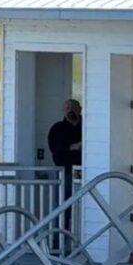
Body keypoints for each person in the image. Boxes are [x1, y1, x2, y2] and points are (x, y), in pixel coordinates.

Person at [48, 99, 82, 246]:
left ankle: (81, 242)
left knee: (84, 208)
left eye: (73, 107)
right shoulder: (58, 128)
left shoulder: (87, 127)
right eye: (67, 108)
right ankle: (58, 243)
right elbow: (57, 153)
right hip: (66, 173)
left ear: (80, 109)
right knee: (63, 207)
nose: (70, 110)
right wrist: (72, 147)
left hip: (87, 174)